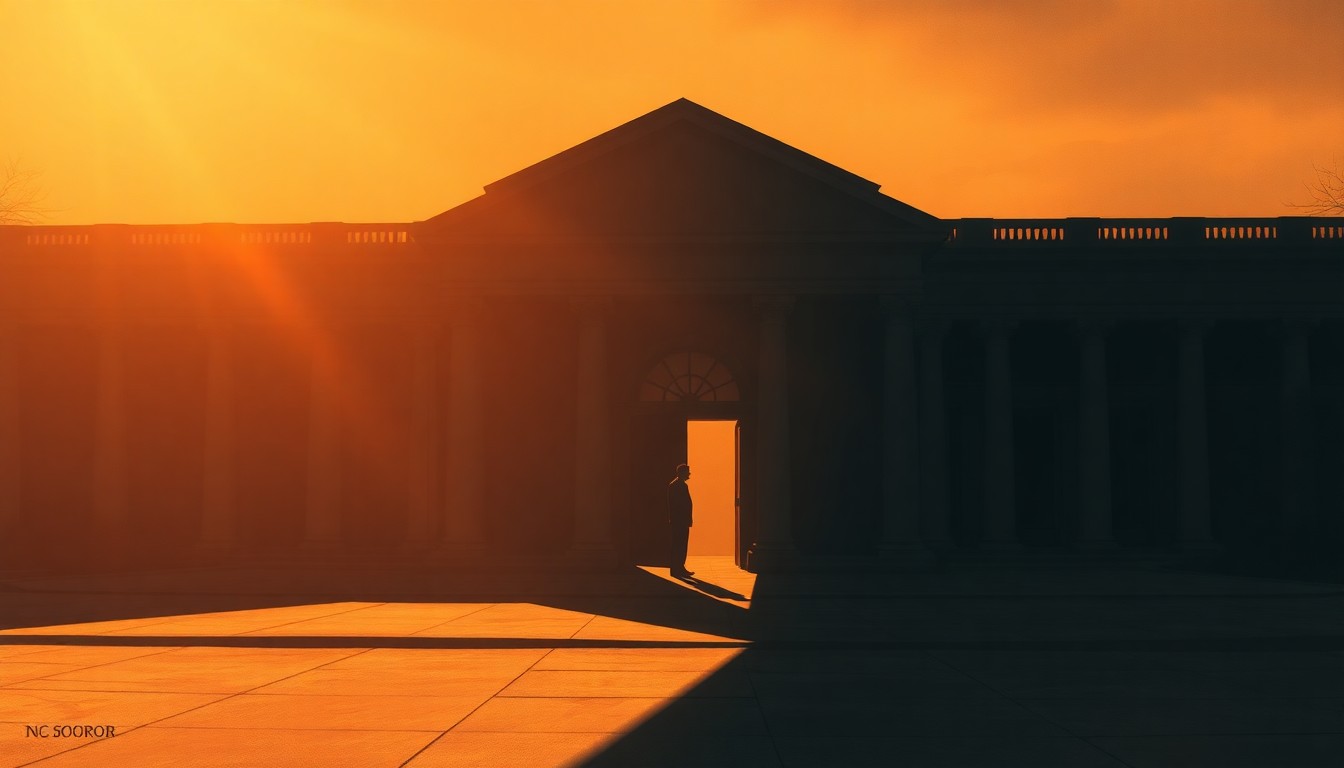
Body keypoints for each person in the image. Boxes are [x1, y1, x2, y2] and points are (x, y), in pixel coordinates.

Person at [667, 463, 694, 578]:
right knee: (679, 544)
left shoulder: (677, 485)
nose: (689, 474)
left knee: (679, 544)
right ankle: (677, 568)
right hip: (680, 521)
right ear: (682, 472)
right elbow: (676, 505)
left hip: (680, 520)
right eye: (688, 471)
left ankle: (678, 568)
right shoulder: (678, 486)